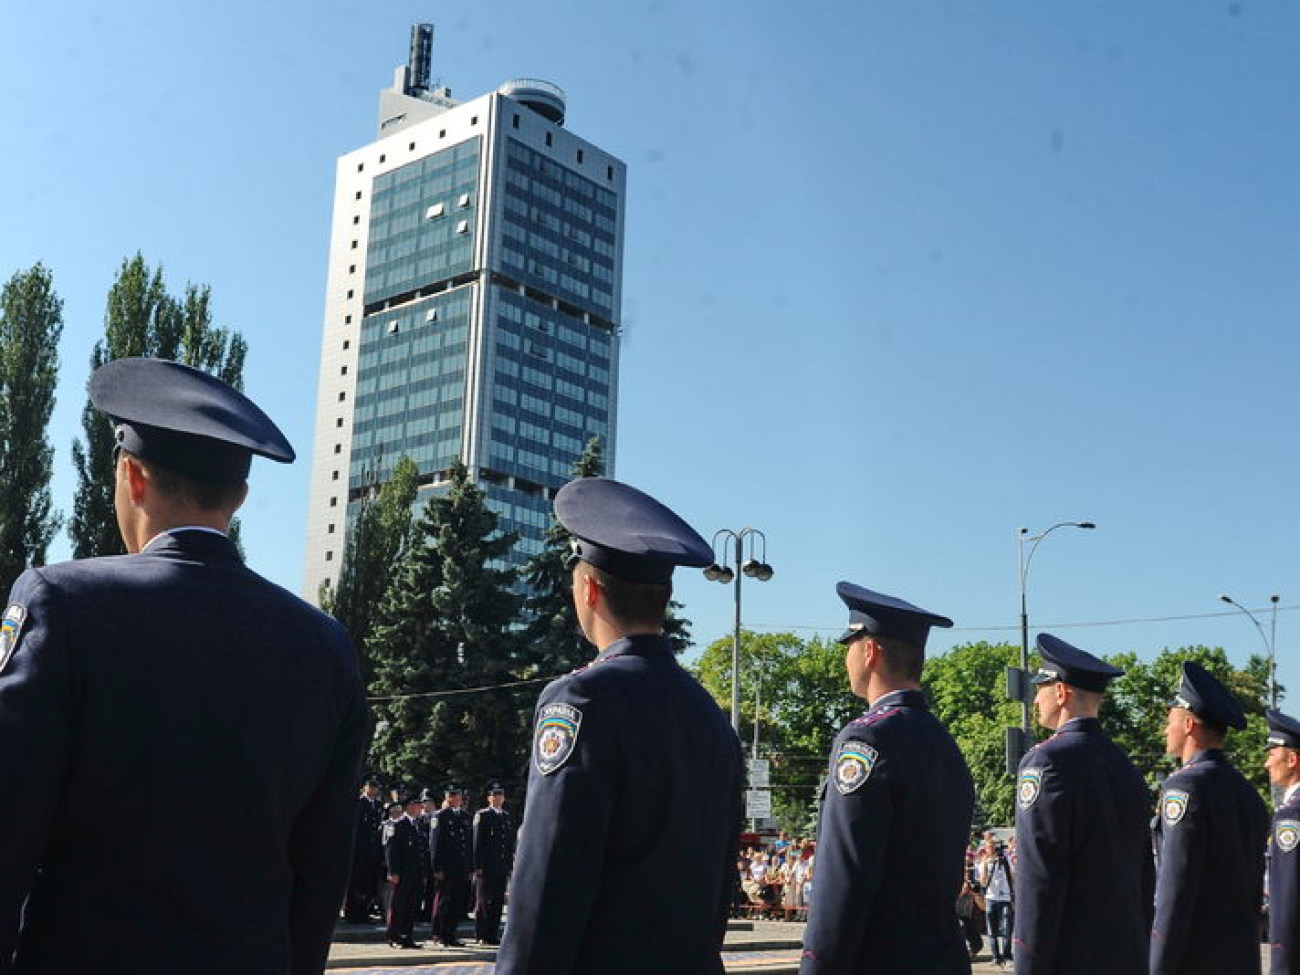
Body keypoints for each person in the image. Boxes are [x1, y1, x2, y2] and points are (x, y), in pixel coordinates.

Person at [0, 357, 367, 974]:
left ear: (131, 475)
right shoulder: (323, 645)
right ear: (241, 497)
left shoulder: (61, 603)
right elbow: (319, 874)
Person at [495, 477, 744, 974]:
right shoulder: (711, 718)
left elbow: (548, 881)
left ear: (587, 588)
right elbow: (718, 887)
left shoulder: (582, 699)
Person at [799, 583, 975, 975]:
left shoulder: (865, 739)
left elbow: (842, 879)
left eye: (849, 645)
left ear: (870, 650)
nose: (846, 658)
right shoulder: (942, 741)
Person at [1012, 633, 1154, 974]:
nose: (1034, 701)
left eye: (1040, 688)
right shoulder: (1125, 766)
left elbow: (1039, 881)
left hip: (1069, 959)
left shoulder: (1045, 762)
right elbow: (1144, 875)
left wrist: (1028, 963)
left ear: (1061, 692)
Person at [1151, 660, 1269, 975]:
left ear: (1189, 724)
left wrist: (1156, 965)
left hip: (1194, 960)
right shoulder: (1248, 794)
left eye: (1170, 720)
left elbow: (1175, 890)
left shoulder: (1184, 786)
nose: (1165, 729)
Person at [1265, 708, 1300, 974]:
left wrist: (1281, 960)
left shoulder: (1291, 815)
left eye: (1272, 754)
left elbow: (1287, 896)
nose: (1266, 764)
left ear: (1292, 760)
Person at [429, 784, 473, 948]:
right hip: (446, 868)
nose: (455, 798)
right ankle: (438, 934)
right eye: (451, 795)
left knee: (456, 902)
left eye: (458, 795)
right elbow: (435, 845)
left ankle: (451, 934)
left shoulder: (465, 816)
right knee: (443, 901)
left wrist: (470, 867)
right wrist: (437, 868)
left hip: (460, 867)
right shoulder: (440, 816)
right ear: (447, 798)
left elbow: (468, 844)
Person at [471, 783, 515, 945]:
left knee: (497, 901)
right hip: (486, 866)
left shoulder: (505, 816)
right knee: (483, 901)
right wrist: (478, 865)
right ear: (489, 798)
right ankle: (481, 933)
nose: (497, 798)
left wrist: (509, 864)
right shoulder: (482, 815)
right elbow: (477, 843)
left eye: (500, 795)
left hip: (501, 866)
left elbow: (508, 843)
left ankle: (492, 933)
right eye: (494, 795)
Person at [385, 796, 427, 949]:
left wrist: (423, 872)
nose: (420, 808)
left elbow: (422, 850)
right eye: (416, 805)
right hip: (401, 873)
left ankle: (407, 936)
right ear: (408, 807)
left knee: (411, 906)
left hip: (415, 873)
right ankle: (394, 937)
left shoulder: (419, 824)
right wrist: (393, 871)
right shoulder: (397, 825)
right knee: (398, 906)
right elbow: (391, 851)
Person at [345, 777, 387, 922]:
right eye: (371, 786)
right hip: (360, 850)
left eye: (376, 787)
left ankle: (363, 911)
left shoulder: (378, 805)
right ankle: (352, 913)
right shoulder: (358, 803)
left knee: (369, 882)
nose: (374, 790)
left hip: (373, 849)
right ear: (365, 787)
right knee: (357, 882)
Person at [977, 834, 1014, 969]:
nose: (991, 849)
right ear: (986, 849)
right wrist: (986, 866)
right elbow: (982, 882)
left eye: (993, 847)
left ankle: (1007, 956)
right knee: (991, 930)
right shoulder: (984, 863)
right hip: (991, 898)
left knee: (1007, 928)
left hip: (1005, 898)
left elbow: (1012, 877)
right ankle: (995, 957)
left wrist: (1013, 895)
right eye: (988, 847)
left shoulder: (1004, 861)